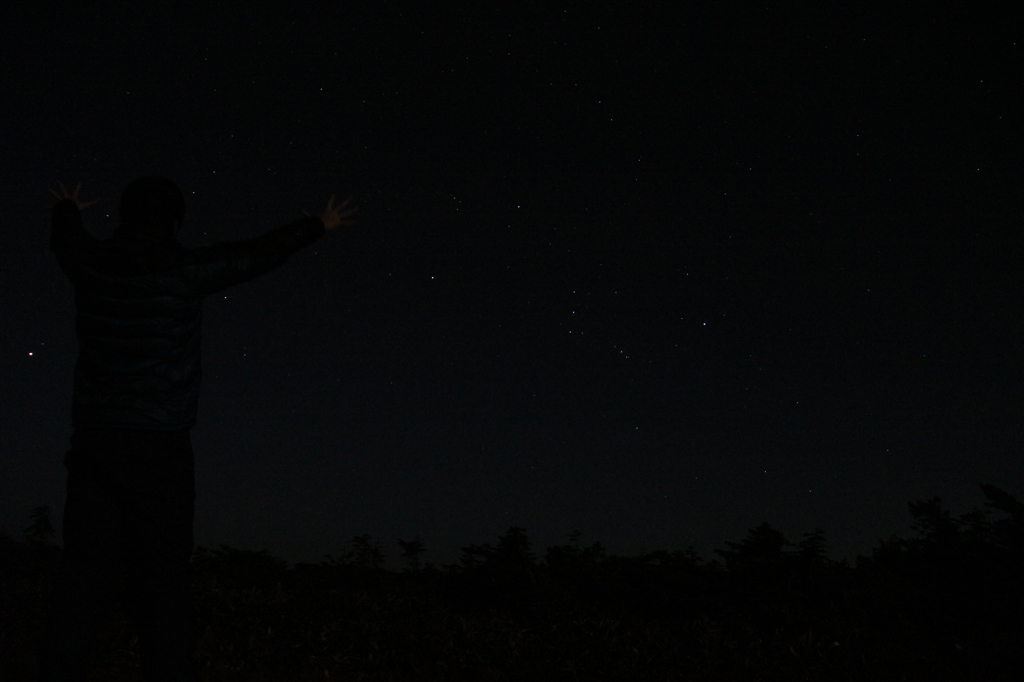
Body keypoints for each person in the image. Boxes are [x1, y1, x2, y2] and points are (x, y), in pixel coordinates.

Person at [38, 177, 357, 682]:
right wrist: (319, 223)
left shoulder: (90, 264)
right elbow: (256, 254)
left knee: (82, 577)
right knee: (163, 583)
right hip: (161, 449)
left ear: (124, 218)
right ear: (176, 223)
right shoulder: (186, 270)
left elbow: (66, 240)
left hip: (96, 444)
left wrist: (69, 210)